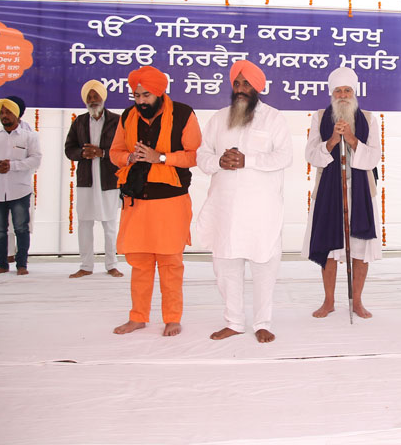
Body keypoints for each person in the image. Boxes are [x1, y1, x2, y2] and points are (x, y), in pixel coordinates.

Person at [196, 60, 292, 343]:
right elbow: (202, 156)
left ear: (257, 87)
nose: (240, 89)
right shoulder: (218, 119)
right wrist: (219, 161)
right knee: (226, 267)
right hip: (225, 209)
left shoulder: (273, 119)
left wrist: (247, 160)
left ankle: (262, 322)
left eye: (246, 83)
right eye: (236, 83)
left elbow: (284, 156)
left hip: (261, 211)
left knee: (264, 267)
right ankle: (234, 322)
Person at [109, 66, 201, 337]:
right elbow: (115, 152)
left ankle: (172, 318)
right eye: (136, 95)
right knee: (139, 263)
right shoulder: (128, 116)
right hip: (137, 200)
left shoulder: (183, 114)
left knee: (170, 263)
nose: (140, 101)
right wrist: (129, 158)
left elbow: (194, 155)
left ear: (160, 93)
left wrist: (159, 157)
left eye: (146, 95)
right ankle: (138, 317)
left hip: (171, 201)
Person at [302, 67, 381, 319]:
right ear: (332, 93)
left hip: (361, 193)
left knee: (360, 248)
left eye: (347, 90)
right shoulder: (320, 117)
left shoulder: (369, 119)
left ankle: (357, 302)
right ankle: (328, 301)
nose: (343, 95)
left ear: (354, 93)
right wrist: (333, 141)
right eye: (338, 91)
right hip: (329, 192)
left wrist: (352, 139)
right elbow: (311, 155)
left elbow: (374, 157)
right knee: (329, 248)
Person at [64, 79, 123, 278]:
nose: (92, 99)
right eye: (89, 97)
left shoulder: (117, 121)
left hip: (109, 180)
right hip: (86, 180)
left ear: (103, 97)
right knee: (85, 223)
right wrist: (83, 154)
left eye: (95, 95)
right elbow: (69, 149)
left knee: (110, 224)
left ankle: (112, 264)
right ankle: (86, 266)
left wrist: (102, 153)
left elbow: (124, 149)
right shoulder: (79, 122)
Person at [0, 96, 42, 275]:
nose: (4, 116)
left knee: (21, 228)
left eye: (8, 112)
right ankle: (2, 265)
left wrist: (12, 166)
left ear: (17, 114)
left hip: (20, 190)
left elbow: (36, 159)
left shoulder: (30, 136)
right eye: (2, 112)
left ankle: (22, 265)